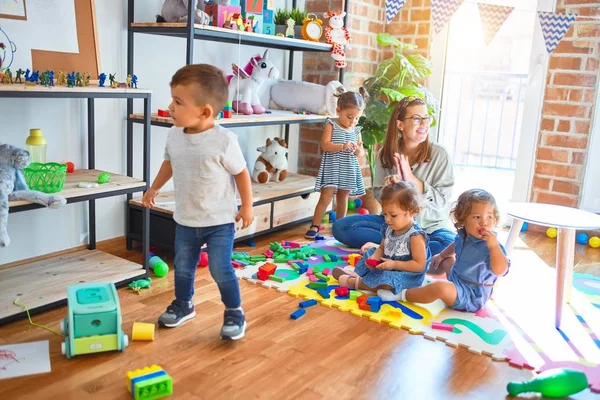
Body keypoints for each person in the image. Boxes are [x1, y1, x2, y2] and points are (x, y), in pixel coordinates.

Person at [142, 64, 254, 340]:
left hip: (219, 222)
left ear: (204, 112)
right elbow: (169, 163)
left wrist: (247, 206)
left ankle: (234, 311)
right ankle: (184, 304)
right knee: (183, 267)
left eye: (178, 102)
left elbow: (241, 173)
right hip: (185, 219)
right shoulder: (174, 136)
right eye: (172, 99)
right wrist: (153, 188)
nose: (169, 106)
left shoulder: (224, 140)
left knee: (220, 268)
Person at [332, 96, 456, 257]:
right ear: (400, 124)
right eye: (417, 119)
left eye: (426, 118)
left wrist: (412, 181)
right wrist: (390, 188)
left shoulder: (440, 155)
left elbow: (442, 201)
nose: (424, 124)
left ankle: (387, 248)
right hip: (393, 227)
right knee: (341, 227)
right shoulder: (386, 153)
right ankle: (401, 249)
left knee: (449, 244)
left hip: (429, 229)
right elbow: (378, 193)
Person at [381, 189, 510, 312]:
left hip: (471, 294)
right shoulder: (466, 235)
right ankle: (415, 275)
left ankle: (400, 295)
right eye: (477, 217)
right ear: (463, 219)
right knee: (447, 260)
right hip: (457, 278)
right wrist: (441, 256)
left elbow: (500, 270)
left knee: (439, 287)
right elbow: (456, 244)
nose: (484, 222)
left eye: (489, 217)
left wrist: (494, 247)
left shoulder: (492, 245)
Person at [333, 182, 430, 294]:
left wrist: (394, 264)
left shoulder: (415, 236)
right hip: (388, 264)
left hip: (407, 274)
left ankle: (355, 283)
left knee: (388, 280)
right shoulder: (389, 227)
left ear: (411, 212)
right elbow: (382, 248)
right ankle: (357, 274)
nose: (387, 219)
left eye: (393, 215)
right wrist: (374, 258)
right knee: (370, 252)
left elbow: (419, 266)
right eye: (385, 214)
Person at [305, 90, 366, 239]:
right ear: (338, 111)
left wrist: (358, 150)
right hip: (333, 166)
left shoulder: (356, 131)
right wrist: (342, 146)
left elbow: (362, 153)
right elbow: (325, 145)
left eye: (357, 118)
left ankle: (340, 226)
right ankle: (315, 224)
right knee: (325, 197)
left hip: (348, 167)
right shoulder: (331, 125)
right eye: (349, 117)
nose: (352, 122)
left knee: (343, 197)